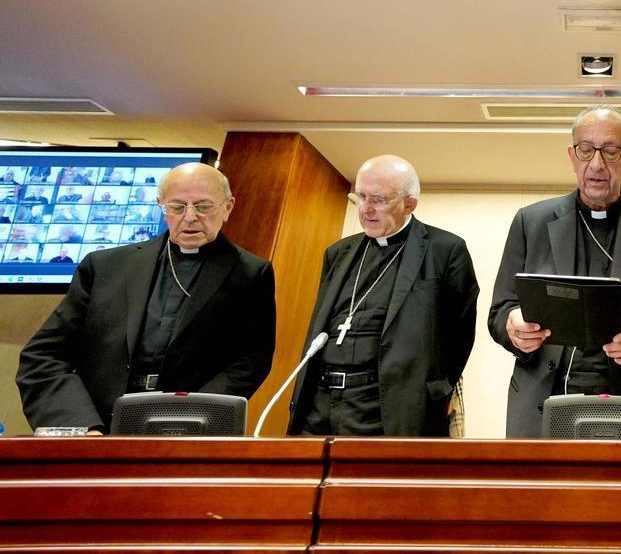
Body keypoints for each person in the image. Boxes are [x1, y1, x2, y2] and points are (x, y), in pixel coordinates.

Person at [488, 105, 621, 438]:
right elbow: (500, 311)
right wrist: (513, 325)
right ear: (572, 156)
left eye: (611, 151)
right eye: (586, 150)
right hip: (544, 398)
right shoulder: (531, 222)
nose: (597, 164)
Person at [17, 163, 275, 433]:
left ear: (228, 207)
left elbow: (250, 361)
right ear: (160, 205)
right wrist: (82, 426)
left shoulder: (251, 274)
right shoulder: (106, 266)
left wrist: (190, 419)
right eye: (177, 207)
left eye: (203, 206)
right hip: (99, 426)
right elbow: (42, 356)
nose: (189, 217)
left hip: (190, 429)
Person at [288, 155, 478, 437]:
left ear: (409, 204)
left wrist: (439, 390)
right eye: (361, 197)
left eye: (378, 199)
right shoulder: (338, 253)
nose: (366, 209)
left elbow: (460, 332)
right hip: (320, 401)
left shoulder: (445, 251)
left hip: (386, 405)